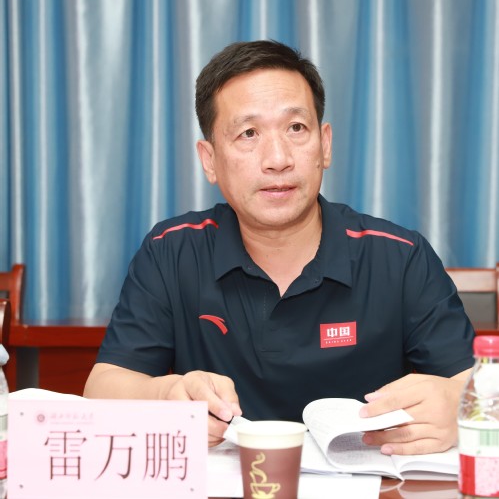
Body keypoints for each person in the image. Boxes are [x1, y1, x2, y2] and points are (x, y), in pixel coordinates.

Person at [84, 40, 474, 456]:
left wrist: (457, 407)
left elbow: (473, 385)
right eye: (248, 133)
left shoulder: (399, 257)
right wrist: (167, 395)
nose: (277, 158)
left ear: (325, 144)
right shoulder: (172, 252)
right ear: (210, 160)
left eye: (296, 128)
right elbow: (102, 388)